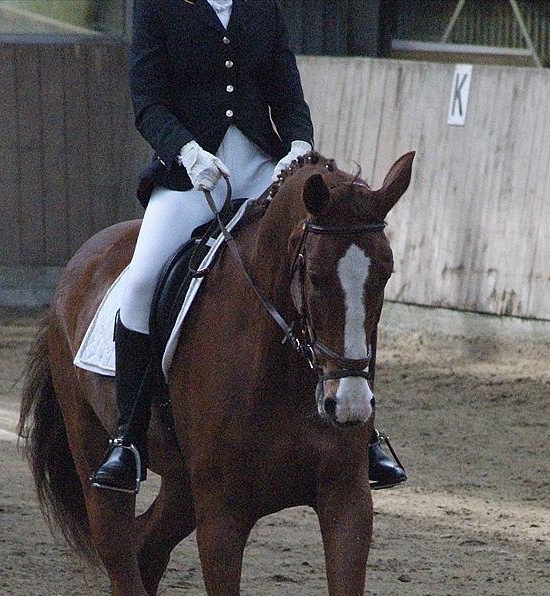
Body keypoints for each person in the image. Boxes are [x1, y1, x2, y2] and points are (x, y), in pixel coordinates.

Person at [91, 0, 406, 493]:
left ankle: (365, 434)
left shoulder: (261, 7)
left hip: (264, 169)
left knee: (336, 270)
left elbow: (288, 93)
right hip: (191, 176)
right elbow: (148, 102)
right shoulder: (158, 8)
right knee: (142, 282)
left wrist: (300, 144)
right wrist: (187, 152)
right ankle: (128, 441)